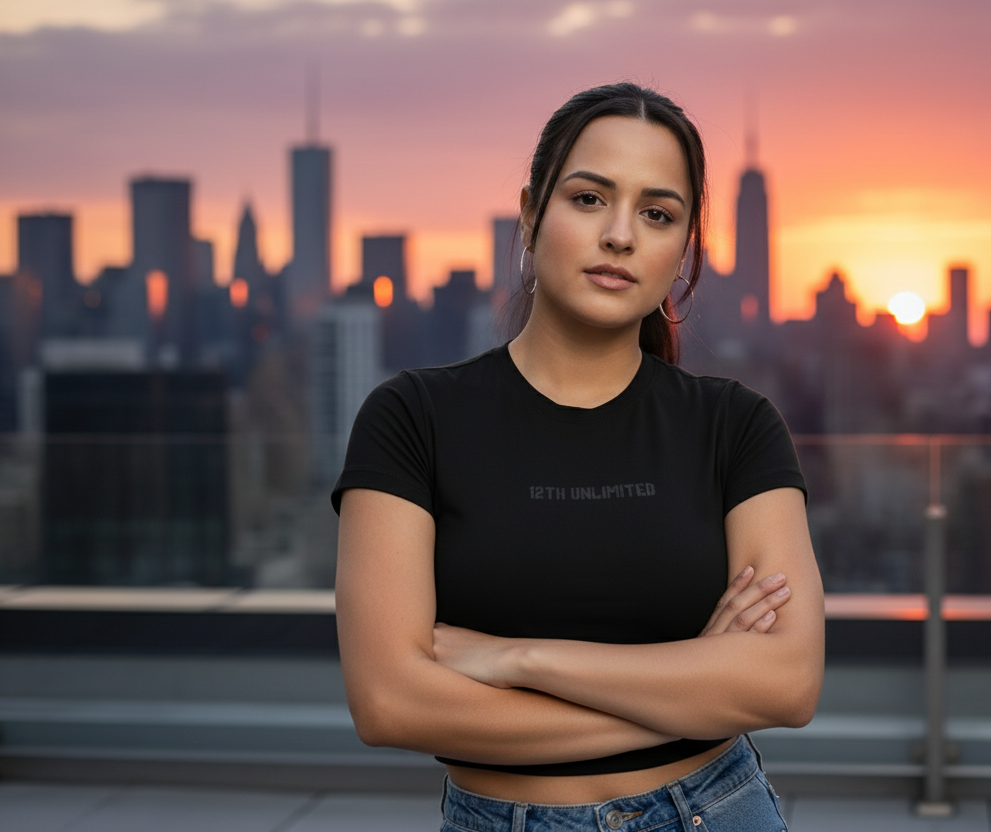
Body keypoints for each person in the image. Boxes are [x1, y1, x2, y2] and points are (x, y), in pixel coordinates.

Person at [332, 82, 824, 832]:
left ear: (683, 250)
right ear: (531, 214)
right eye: (590, 199)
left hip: (714, 812)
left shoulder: (736, 424)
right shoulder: (411, 419)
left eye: (657, 214)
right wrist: (694, 686)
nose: (621, 235)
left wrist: (519, 661)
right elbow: (390, 702)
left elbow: (787, 683)